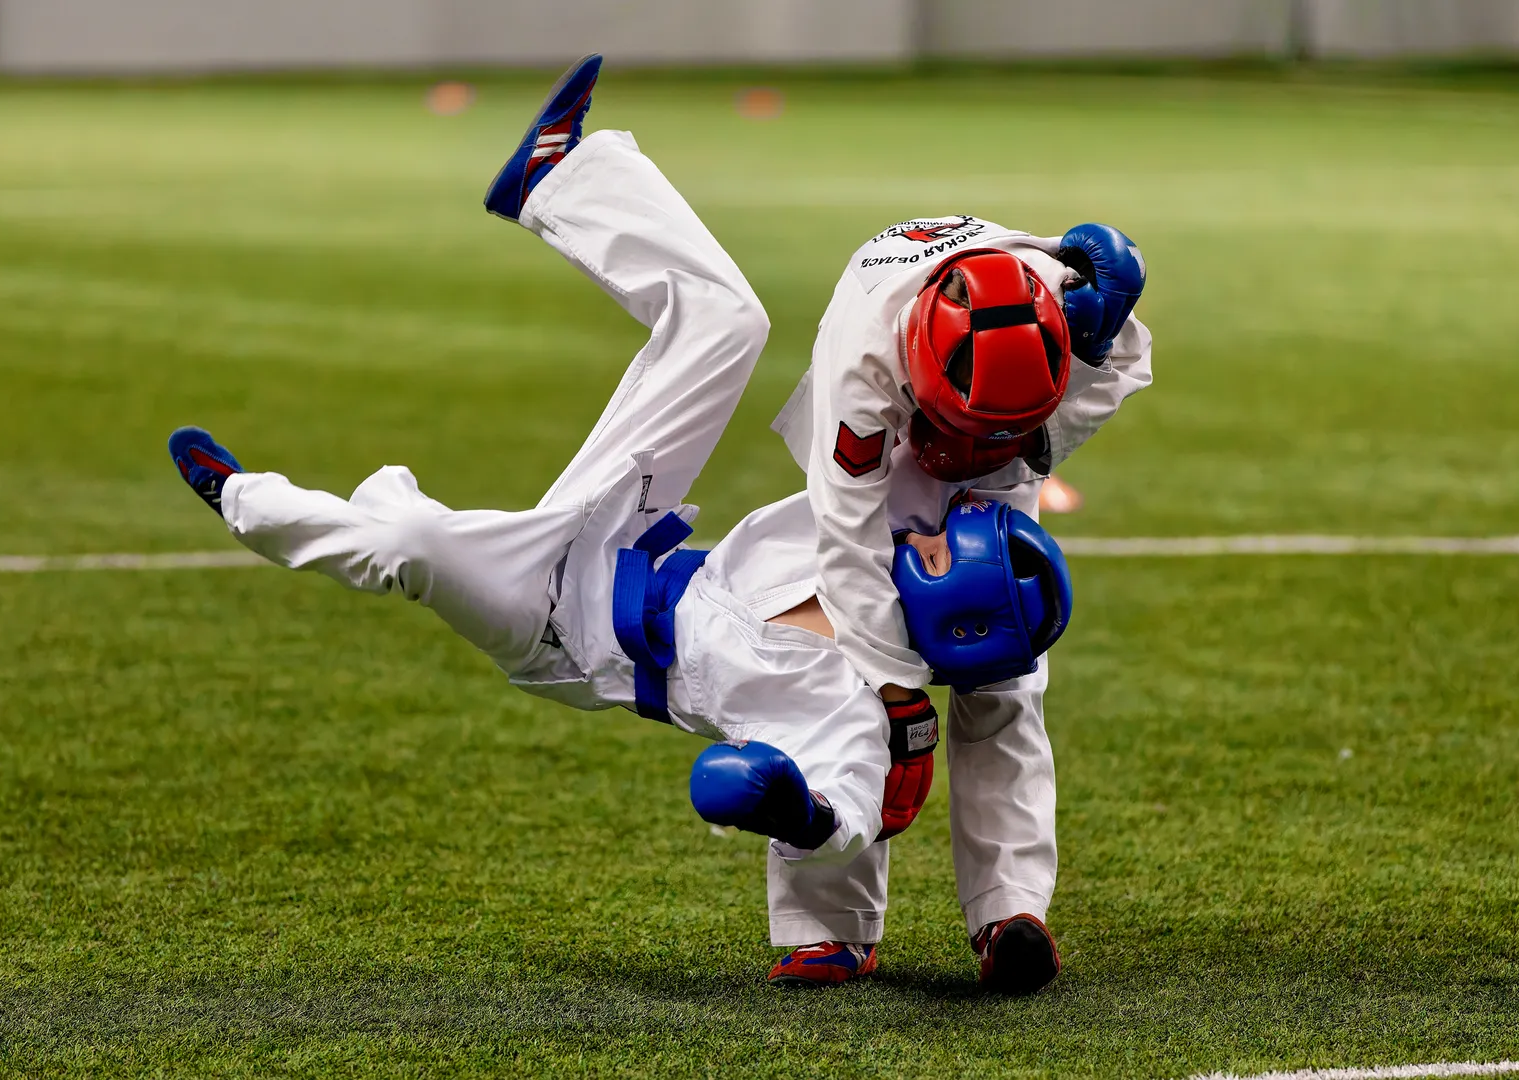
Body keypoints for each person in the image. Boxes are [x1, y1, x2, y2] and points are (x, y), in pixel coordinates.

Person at [165, 56, 1072, 992]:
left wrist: (785, 804)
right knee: (728, 321)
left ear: (950, 604)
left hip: (565, 628)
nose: (937, 526)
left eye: (945, 549)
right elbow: (1007, 419)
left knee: (411, 546)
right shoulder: (868, 546)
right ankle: (557, 176)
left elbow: (848, 807)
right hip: (625, 528)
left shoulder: (853, 708)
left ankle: (245, 502)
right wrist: (1083, 307)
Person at [765, 173, 1154, 992]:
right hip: (895, 452)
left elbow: (1123, 368)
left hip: (1014, 441)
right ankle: (829, 927)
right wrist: (900, 699)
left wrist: (1032, 438)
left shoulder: (1071, 300)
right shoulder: (861, 375)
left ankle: (1011, 913)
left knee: (1003, 664)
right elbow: (847, 545)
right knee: (840, 675)